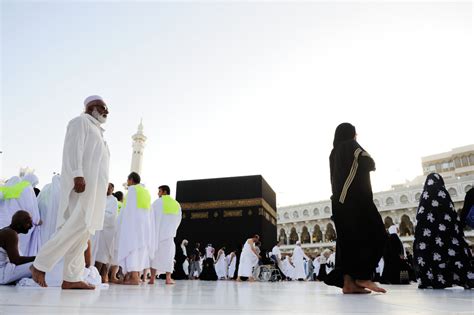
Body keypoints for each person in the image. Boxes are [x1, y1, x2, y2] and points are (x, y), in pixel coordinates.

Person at [30, 95, 110, 289]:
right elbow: (73, 150)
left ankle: (72, 277)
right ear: (91, 107)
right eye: (102, 107)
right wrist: (77, 174)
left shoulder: (99, 132)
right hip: (82, 187)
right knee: (76, 225)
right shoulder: (81, 122)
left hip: (95, 192)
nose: (106, 112)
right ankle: (40, 264)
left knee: (84, 231)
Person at [326, 123, 387, 294]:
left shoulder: (334, 151)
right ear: (350, 134)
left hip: (339, 203)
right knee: (378, 235)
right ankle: (363, 276)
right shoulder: (349, 144)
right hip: (356, 201)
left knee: (348, 243)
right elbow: (367, 161)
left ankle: (349, 284)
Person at [414, 173, 474, 289]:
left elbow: (420, 220)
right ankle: (460, 278)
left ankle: (432, 279)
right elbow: (451, 214)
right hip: (446, 234)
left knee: (431, 255)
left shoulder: (425, 197)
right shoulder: (443, 194)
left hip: (429, 238)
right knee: (451, 254)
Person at [115, 172, 153, 285]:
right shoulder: (145, 192)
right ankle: (132, 276)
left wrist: (120, 223)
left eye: (128, 180)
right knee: (138, 250)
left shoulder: (132, 190)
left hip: (133, 226)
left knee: (131, 248)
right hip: (144, 227)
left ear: (131, 180)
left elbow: (128, 210)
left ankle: (134, 278)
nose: (127, 182)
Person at [0, 174, 42, 256]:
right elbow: (30, 207)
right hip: (17, 224)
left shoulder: (4, 189)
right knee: (16, 249)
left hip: (2, 222)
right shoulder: (26, 188)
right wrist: (36, 220)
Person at [149, 185, 182, 285]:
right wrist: (172, 230)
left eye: (159, 191)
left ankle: (152, 279)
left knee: (154, 256)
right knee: (168, 257)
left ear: (164, 191)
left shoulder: (157, 203)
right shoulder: (176, 204)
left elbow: (151, 217)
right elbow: (178, 220)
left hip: (157, 234)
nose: (158, 193)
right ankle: (168, 278)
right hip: (169, 235)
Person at [0, 211, 35, 284]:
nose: (31, 226)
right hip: (2, 274)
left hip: (3, 270)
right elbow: (16, 260)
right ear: (19, 225)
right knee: (39, 265)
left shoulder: (7, 231)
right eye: (28, 223)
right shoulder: (11, 234)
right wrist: (38, 258)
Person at [92, 183, 118, 283]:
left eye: (110, 188)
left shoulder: (114, 200)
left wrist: (100, 214)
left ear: (112, 189)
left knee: (103, 255)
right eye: (106, 187)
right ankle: (95, 275)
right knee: (96, 253)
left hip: (107, 231)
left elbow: (112, 217)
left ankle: (101, 275)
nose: (107, 189)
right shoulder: (99, 198)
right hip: (97, 230)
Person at [37, 175, 61, 246]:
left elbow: (37, 204)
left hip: (43, 223)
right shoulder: (61, 192)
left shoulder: (45, 189)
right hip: (56, 224)